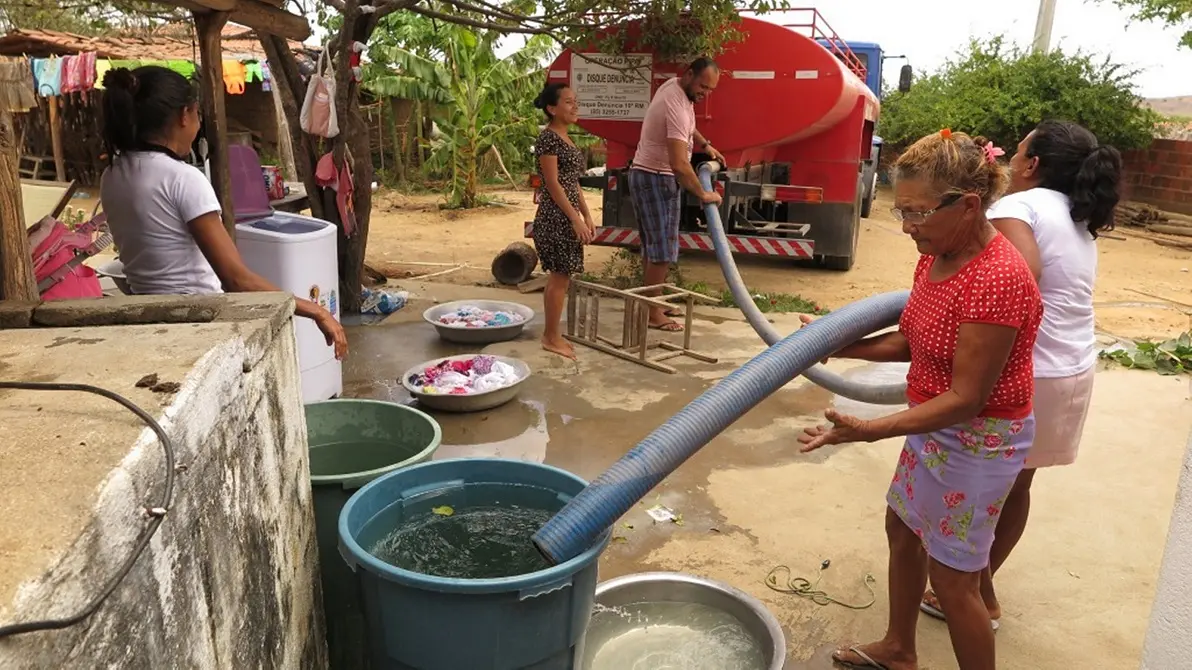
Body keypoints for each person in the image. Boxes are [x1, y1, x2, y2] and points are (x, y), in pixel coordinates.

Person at [798, 129, 1043, 670]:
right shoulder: (936, 253)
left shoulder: (998, 278)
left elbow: (967, 399)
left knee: (954, 579)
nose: (907, 226)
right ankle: (899, 648)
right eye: (901, 210)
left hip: (978, 440)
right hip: (931, 426)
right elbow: (913, 340)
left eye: (918, 212)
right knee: (903, 528)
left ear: (969, 205)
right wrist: (833, 342)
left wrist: (869, 429)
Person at [919, 121, 1122, 629]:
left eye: (1020, 149)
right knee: (1017, 486)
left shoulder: (1018, 207)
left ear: (1032, 165)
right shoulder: (1075, 212)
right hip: (1072, 367)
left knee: (983, 487)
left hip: (1030, 369)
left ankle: (974, 593)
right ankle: (978, 588)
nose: (1010, 156)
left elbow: (1019, 275)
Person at [98, 66, 347, 359]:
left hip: (148, 324)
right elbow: (237, 280)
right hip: (196, 326)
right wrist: (316, 311)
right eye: (197, 114)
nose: (198, 125)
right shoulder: (182, 179)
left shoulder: (112, 176)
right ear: (184, 115)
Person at [628, 57, 724, 332]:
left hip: (645, 174)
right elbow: (679, 164)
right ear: (689, 74)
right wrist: (703, 193)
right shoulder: (677, 105)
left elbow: (688, 127)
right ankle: (653, 312)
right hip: (657, 178)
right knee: (661, 251)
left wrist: (705, 145)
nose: (705, 94)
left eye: (710, 89)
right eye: (703, 86)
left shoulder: (674, 87)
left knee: (653, 247)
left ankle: (654, 301)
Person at [530, 82, 593, 359]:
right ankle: (550, 337)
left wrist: (586, 214)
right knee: (559, 278)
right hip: (555, 217)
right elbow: (553, 184)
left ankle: (553, 333)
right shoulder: (548, 139)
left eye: (574, 101)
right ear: (552, 109)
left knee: (560, 278)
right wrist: (574, 219)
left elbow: (572, 182)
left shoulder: (566, 138)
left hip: (567, 216)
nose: (574, 106)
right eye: (568, 102)